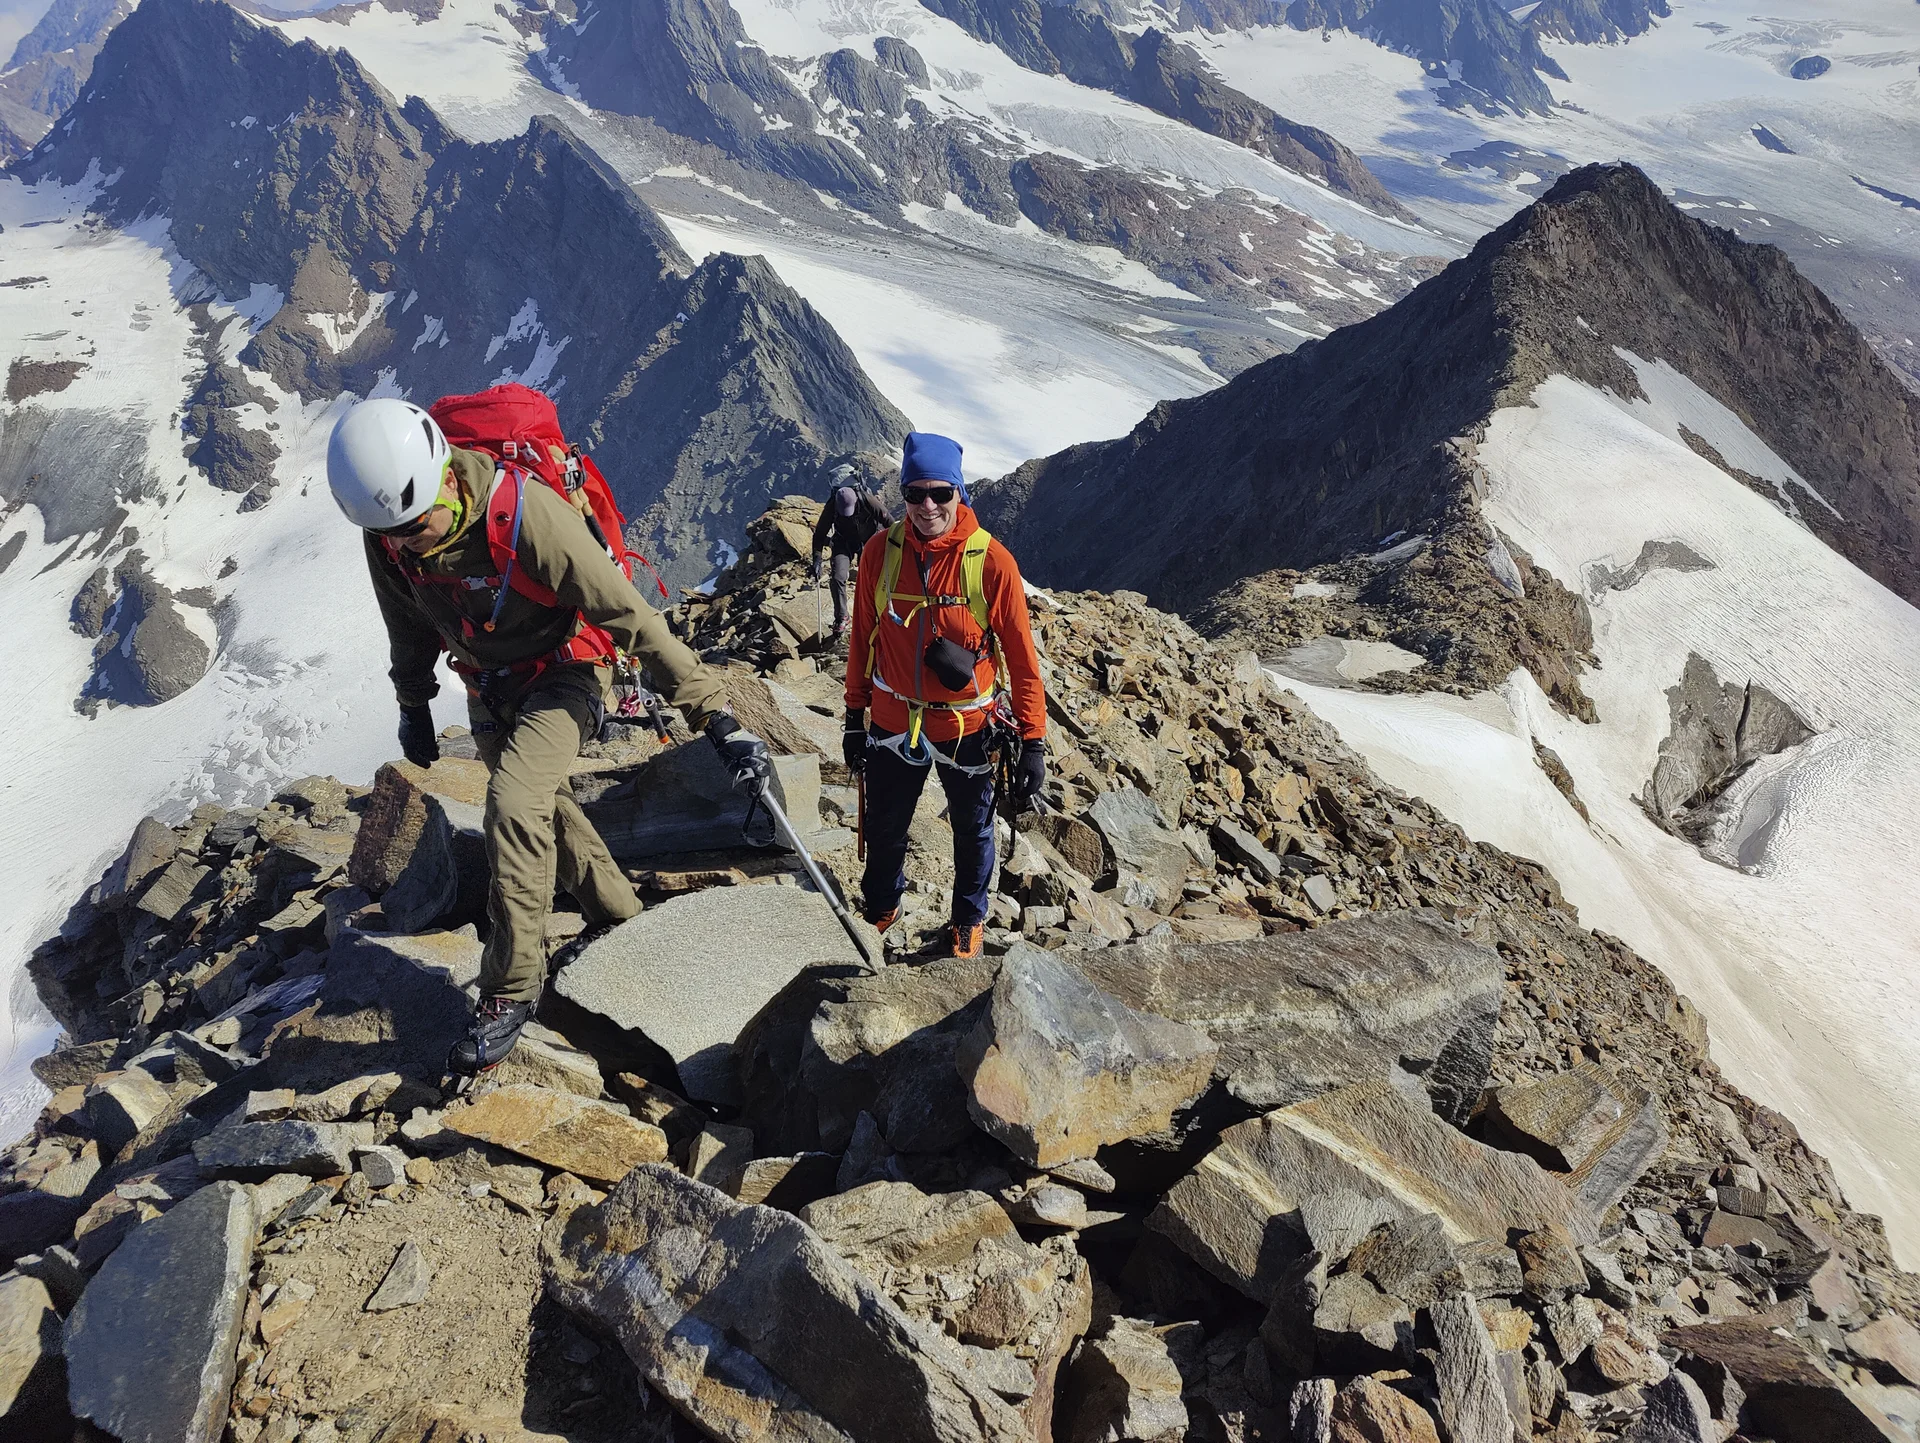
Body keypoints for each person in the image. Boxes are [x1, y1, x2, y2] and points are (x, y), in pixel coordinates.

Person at [326, 398, 770, 1074]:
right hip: (489, 686)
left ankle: (511, 987)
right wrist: (413, 704)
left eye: (415, 528)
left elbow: (628, 614)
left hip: (569, 671)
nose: (406, 543)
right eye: (391, 534)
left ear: (444, 478)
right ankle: (620, 916)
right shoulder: (387, 529)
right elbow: (407, 624)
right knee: (543, 808)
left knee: (514, 802)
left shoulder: (526, 514)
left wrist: (715, 716)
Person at [843, 432, 1048, 959]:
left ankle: (967, 922)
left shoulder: (992, 562)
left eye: (940, 493)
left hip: (967, 725)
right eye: (915, 494)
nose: (927, 506)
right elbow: (863, 636)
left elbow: (1022, 660)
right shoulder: (880, 553)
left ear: (960, 492)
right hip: (893, 719)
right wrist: (852, 715)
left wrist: (1033, 741)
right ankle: (882, 907)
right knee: (885, 826)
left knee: (972, 831)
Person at [810, 463, 890, 641]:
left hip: (868, 540)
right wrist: (816, 559)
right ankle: (842, 617)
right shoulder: (833, 505)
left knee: (870, 578)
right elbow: (820, 534)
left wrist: (893, 547)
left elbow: (890, 523)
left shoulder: (868, 500)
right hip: (842, 541)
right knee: (838, 577)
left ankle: (875, 614)